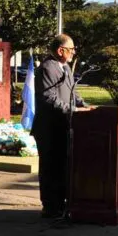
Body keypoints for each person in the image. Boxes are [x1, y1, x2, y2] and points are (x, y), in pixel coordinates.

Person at [31, 34, 87, 219]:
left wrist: (84, 106)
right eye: (70, 49)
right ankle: (50, 206)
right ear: (60, 50)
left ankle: (62, 203)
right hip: (49, 128)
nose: (73, 52)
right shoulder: (47, 68)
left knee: (62, 166)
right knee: (50, 168)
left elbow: (73, 92)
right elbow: (49, 98)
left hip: (64, 126)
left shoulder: (66, 67)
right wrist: (73, 110)